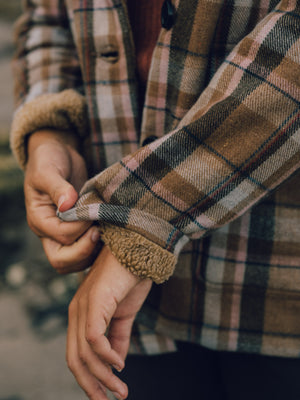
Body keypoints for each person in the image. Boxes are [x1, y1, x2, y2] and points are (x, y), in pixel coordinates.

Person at [10, 0, 300, 399]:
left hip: (273, 288)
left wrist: (143, 218)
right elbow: (48, 16)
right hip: (126, 302)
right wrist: (51, 130)